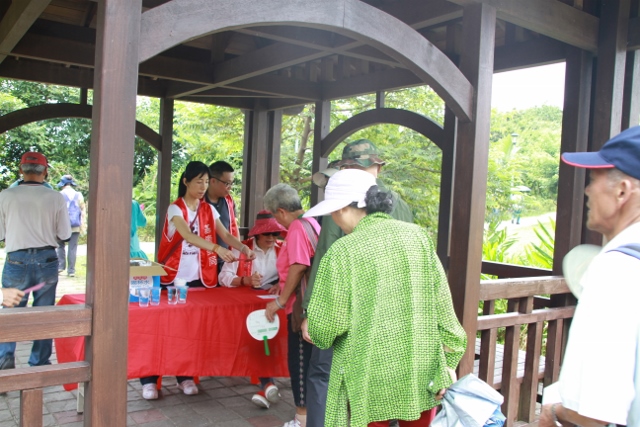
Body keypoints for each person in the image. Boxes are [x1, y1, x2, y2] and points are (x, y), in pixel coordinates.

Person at [304, 169, 467, 427]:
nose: (334, 220)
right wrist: (447, 365)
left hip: (367, 375)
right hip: (420, 372)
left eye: (334, 211)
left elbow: (324, 331)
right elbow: (445, 315)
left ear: (347, 207)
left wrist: (313, 325)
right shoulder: (418, 237)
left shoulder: (343, 251)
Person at [301, 139, 414, 427]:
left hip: (342, 305)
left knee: (322, 374)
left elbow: (326, 255)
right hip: (388, 310)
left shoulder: (344, 201)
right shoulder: (399, 204)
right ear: (377, 167)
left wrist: (309, 313)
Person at [539, 126, 640, 427]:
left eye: (593, 179)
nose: (587, 190)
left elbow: (593, 412)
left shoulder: (618, 269)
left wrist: (552, 412)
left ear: (621, 190)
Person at [140, 161, 255, 400]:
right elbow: (188, 235)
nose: (203, 187)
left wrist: (242, 247)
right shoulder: (175, 209)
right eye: (198, 182)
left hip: (199, 281)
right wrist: (216, 248)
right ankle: (149, 380)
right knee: (161, 329)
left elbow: (225, 234)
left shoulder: (208, 210)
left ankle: (185, 377)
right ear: (186, 182)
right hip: (171, 280)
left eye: (205, 182)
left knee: (191, 331)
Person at [0, 151, 72, 369]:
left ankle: (5, 360)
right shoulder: (55, 197)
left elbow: (1, 234)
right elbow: (65, 234)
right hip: (47, 259)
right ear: (45, 171)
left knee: (11, 311)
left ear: (21, 170)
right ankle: (39, 363)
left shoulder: (5, 195)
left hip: (16, 260)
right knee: (44, 312)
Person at [262, 183, 321, 427]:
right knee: (311, 364)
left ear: (282, 211)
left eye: (274, 216)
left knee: (299, 363)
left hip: (300, 307)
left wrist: (280, 300)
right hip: (312, 303)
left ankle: (302, 419)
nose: (276, 223)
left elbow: (298, 265)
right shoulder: (312, 222)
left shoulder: (297, 227)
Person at [219, 210, 287, 409]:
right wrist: (244, 280)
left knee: (267, 339)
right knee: (261, 339)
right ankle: (267, 383)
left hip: (269, 306)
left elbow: (293, 275)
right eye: (268, 234)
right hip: (242, 307)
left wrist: (281, 285)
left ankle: (267, 383)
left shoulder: (282, 250)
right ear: (257, 234)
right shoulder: (241, 249)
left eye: (276, 234)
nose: (272, 239)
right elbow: (222, 278)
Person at [205, 161, 240, 272]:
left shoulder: (229, 201)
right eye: (227, 183)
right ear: (213, 181)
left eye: (231, 183)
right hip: (202, 262)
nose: (230, 187)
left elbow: (234, 228)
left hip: (225, 262)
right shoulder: (198, 201)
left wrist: (239, 249)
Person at [56, 174, 86, 277]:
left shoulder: (59, 195)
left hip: (61, 225)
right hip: (75, 225)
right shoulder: (78, 194)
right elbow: (82, 211)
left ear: (62, 184)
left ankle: (60, 267)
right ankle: (71, 271)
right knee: (72, 248)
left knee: (60, 246)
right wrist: (83, 225)